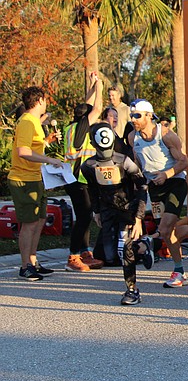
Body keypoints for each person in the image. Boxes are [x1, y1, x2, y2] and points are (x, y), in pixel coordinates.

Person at [82, 123, 152, 305]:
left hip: (127, 208)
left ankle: (132, 290)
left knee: (123, 248)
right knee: (110, 255)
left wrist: (138, 217)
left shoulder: (124, 162)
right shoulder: (88, 166)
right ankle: (143, 247)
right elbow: (92, 189)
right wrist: (96, 211)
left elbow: (142, 186)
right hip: (106, 210)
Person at [127, 99, 188, 288]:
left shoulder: (165, 135)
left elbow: (185, 161)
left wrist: (166, 174)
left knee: (163, 229)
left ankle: (150, 245)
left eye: (137, 115)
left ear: (148, 115)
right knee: (167, 230)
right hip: (155, 185)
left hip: (175, 182)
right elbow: (138, 162)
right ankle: (179, 270)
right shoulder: (133, 137)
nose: (133, 119)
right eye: (131, 116)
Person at [9, 86, 64, 280]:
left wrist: (46, 140)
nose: (46, 103)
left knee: (39, 220)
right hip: (23, 180)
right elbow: (22, 151)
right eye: (46, 100)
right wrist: (50, 160)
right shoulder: (26, 121)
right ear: (40, 101)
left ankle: (33, 262)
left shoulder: (33, 122)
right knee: (29, 223)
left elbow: (33, 146)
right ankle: (25, 267)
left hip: (35, 178)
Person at [64, 72, 105, 272]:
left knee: (85, 216)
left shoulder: (73, 126)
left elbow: (87, 106)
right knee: (82, 218)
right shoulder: (81, 126)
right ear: (86, 118)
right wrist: (100, 86)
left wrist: (91, 85)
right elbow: (96, 108)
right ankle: (73, 257)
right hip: (78, 179)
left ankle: (84, 252)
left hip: (77, 179)